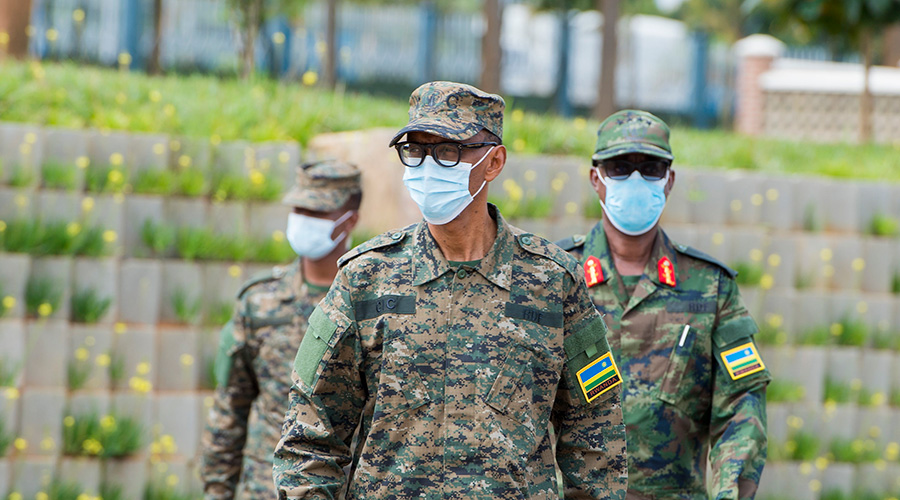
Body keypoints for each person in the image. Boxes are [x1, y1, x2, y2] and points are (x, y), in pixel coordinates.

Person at [274, 81, 627, 499]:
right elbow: (310, 436)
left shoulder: (553, 281)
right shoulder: (365, 278)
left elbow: (596, 433)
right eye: (415, 151)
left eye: (447, 151)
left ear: (494, 162)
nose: (427, 167)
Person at [556, 110, 770, 500]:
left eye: (651, 168)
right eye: (620, 168)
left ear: (669, 180)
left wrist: (731, 490)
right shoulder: (555, 278)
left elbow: (742, 404)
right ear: (596, 178)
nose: (635, 180)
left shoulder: (710, 286)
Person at [199, 160, 362, 500]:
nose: (304, 219)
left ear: (350, 220)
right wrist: (217, 490)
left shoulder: (371, 302)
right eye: (299, 209)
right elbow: (230, 408)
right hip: (266, 488)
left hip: (345, 488)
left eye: (318, 212)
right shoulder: (259, 302)